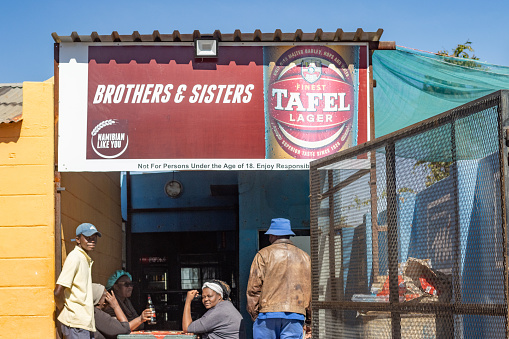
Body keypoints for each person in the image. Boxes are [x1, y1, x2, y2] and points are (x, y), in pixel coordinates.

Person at [246, 218, 312, 339]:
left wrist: (255, 314)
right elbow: (310, 290)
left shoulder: (263, 254)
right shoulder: (305, 257)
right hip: (295, 315)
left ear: (273, 235)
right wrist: (309, 318)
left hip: (267, 314)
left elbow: (253, 289)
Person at [54, 223, 102, 339]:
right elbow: (58, 291)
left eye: (94, 238)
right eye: (88, 238)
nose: (92, 241)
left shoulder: (84, 258)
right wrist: (64, 310)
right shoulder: (75, 257)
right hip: (76, 324)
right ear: (78, 239)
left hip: (84, 323)